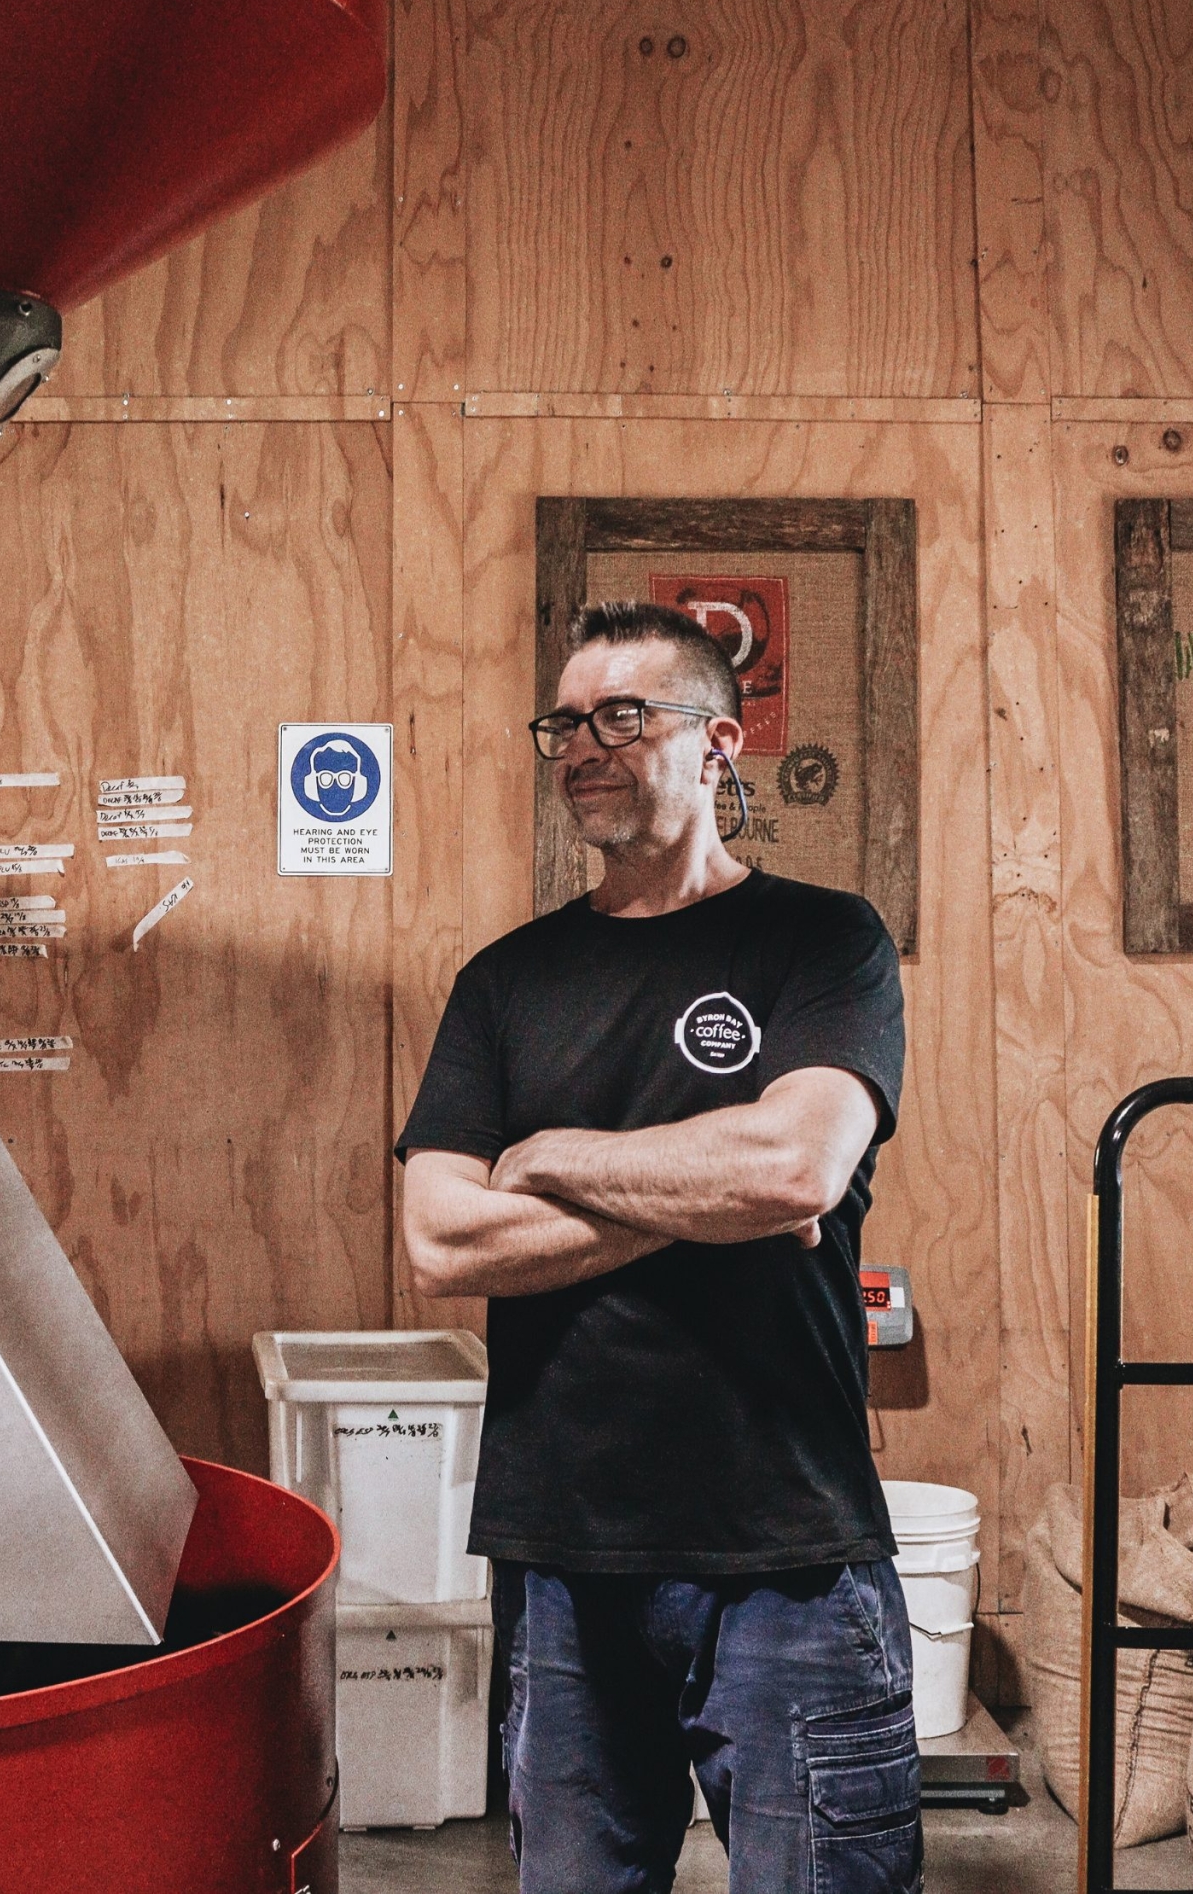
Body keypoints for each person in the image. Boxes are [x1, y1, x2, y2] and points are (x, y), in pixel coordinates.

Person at [398, 600, 919, 1894]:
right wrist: (704, 1190)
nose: (586, 743)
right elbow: (440, 1239)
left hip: (785, 1550)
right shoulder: (505, 983)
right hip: (562, 1557)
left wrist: (557, 1156)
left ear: (720, 743)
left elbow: (795, 1168)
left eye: (625, 715)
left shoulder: (824, 941)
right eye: (567, 722)